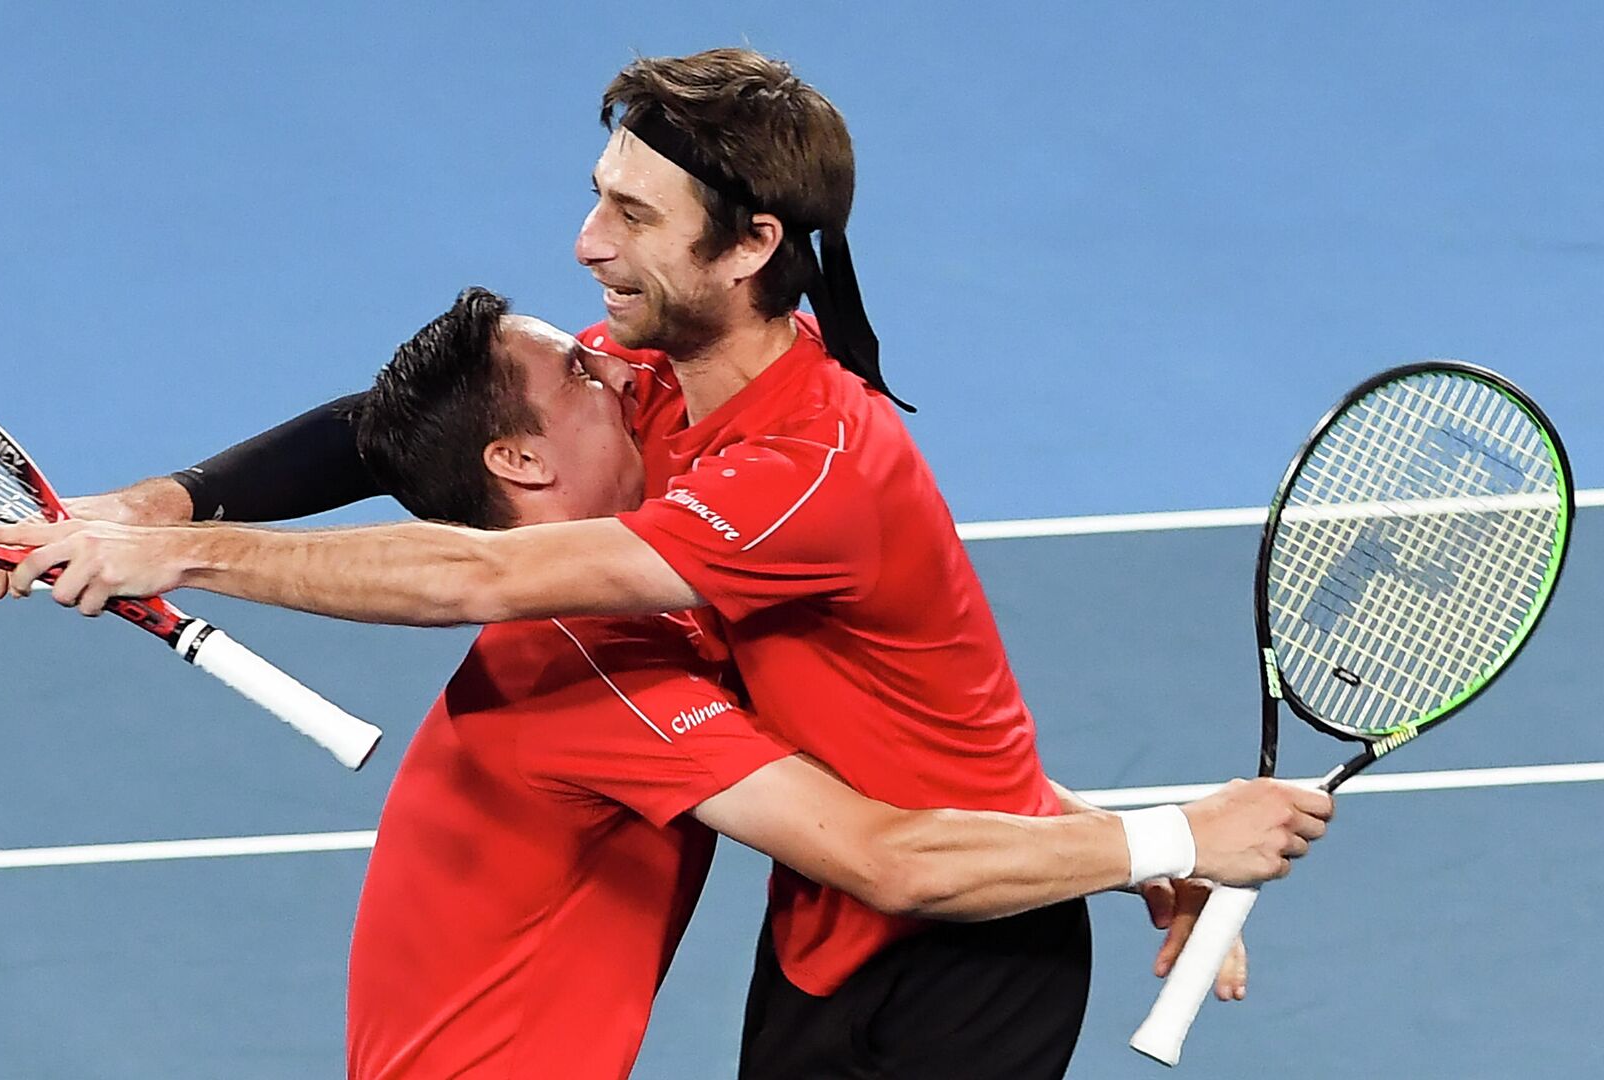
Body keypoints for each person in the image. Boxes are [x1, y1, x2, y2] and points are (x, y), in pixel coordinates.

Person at [0, 49, 1335, 1079]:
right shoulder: (648, 385)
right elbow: (379, 430)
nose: (587, 252)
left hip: (948, 933)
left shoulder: (790, 473)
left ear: (748, 246)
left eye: (631, 216)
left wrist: (1141, 838)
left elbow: (483, 577)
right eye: (597, 201)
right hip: (840, 916)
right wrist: (164, 496)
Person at [335, 289, 1325, 1078]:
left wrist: (1089, 833)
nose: (624, 375)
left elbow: (865, 763)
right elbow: (886, 857)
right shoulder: (591, 663)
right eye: (585, 374)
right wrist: (1180, 836)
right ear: (516, 458)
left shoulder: (639, 609)